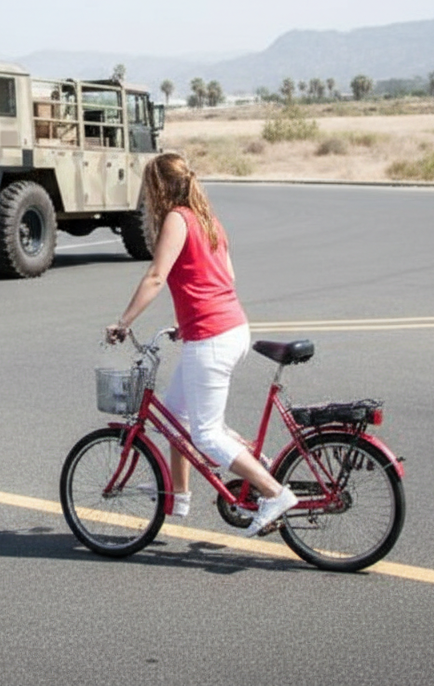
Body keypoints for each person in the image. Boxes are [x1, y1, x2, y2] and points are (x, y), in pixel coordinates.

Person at [105, 152, 297, 536]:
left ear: (158, 187)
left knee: (206, 435)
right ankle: (178, 496)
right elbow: (224, 276)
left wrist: (123, 322)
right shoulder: (208, 220)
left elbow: (157, 276)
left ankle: (274, 492)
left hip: (212, 337)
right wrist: (186, 318)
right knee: (178, 419)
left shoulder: (177, 219)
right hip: (230, 327)